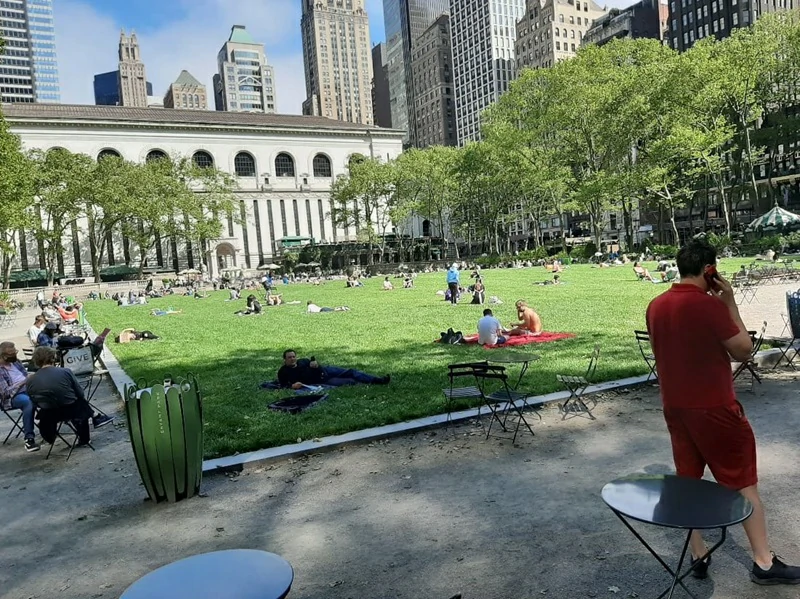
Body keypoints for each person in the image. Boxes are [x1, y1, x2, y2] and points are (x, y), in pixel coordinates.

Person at [646, 239, 800, 585]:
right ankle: (763, 562)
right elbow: (743, 350)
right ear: (709, 270)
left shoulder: (655, 305)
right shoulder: (709, 306)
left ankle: (698, 554)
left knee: (688, 482)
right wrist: (729, 301)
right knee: (743, 482)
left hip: (675, 406)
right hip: (715, 407)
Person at [26, 347, 111, 447]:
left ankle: (96, 417)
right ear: (53, 358)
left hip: (48, 415)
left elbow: (33, 400)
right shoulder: (65, 372)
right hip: (71, 410)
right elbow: (80, 393)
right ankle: (91, 425)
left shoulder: (30, 379)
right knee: (80, 402)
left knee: (74, 403)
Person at [277, 349, 390, 389]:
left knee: (351, 372)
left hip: (326, 370)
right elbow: (282, 385)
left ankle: (377, 380)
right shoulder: (283, 372)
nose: (292, 359)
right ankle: (367, 382)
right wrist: (292, 386)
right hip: (323, 381)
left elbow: (315, 364)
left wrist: (316, 364)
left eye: (293, 356)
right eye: (289, 357)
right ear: (284, 359)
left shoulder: (302, 361)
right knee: (351, 381)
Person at [0, 342, 39, 451]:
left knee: (49, 392)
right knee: (28, 402)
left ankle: (48, 425)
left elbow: (26, 376)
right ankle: (29, 439)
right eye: (12, 353)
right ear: (3, 355)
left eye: (15, 352)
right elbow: (5, 393)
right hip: (13, 397)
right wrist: (22, 383)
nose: (15, 355)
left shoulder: (16, 363)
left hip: (29, 388)